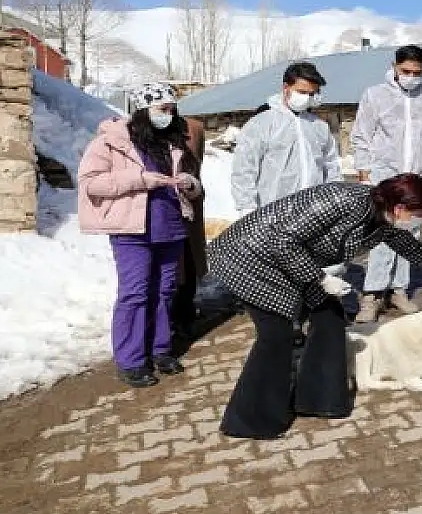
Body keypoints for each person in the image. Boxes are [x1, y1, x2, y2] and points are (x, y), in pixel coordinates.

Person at [207, 174, 422, 439]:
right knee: (277, 335)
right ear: (399, 207)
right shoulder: (344, 200)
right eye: (417, 213)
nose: (417, 220)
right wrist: (319, 278)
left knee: (330, 319)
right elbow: (281, 239)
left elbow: (418, 253)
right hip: (250, 259)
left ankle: (319, 399)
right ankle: (250, 420)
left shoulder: (383, 222)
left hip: (293, 262)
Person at [77, 82, 204, 388]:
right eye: (163, 109)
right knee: (135, 293)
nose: (169, 116)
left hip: (171, 226)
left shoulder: (174, 142)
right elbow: (91, 182)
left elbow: (197, 185)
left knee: (164, 291)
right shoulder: (111, 142)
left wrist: (190, 184)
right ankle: (131, 360)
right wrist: (140, 179)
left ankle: (160, 349)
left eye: (172, 110)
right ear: (143, 110)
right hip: (132, 230)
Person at [350, 45, 422, 322]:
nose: (411, 76)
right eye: (405, 71)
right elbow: (362, 134)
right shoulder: (375, 95)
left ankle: (398, 290)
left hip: (418, 176)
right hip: (385, 176)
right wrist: (363, 170)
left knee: (411, 236)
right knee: (381, 235)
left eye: (417, 72)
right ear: (394, 66)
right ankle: (372, 295)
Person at [230, 62, 342, 216]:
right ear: (286, 88)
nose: (307, 98)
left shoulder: (319, 127)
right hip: (272, 214)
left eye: (312, 94)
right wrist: (246, 208)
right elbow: (244, 169)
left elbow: (331, 167)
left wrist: (334, 200)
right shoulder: (262, 123)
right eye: (302, 92)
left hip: (313, 214)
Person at [169, 115, 208, 347]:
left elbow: (197, 165)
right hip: (161, 207)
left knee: (190, 262)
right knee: (172, 269)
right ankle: (170, 321)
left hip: (190, 201)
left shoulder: (193, 129)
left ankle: (184, 315)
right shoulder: (139, 133)